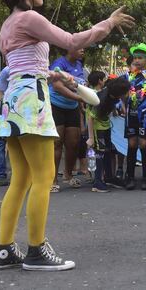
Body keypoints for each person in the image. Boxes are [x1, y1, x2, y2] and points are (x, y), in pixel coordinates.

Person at [0, 0, 134, 271]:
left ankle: (4, 250)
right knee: (44, 178)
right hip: (31, 101)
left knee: (22, 179)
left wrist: (55, 74)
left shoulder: (7, 24)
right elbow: (71, 41)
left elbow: (21, 65)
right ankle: (36, 251)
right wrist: (108, 23)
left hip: (15, 99)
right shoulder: (29, 18)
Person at [123, 43, 146, 191]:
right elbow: (122, 93)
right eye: (135, 57)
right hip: (131, 114)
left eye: (140, 58)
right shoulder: (128, 75)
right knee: (132, 144)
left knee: (144, 144)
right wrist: (122, 105)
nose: (137, 60)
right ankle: (130, 177)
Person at [49, 48, 86, 191]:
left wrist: (81, 104)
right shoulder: (59, 63)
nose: (83, 50)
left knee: (73, 143)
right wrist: (78, 98)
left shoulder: (78, 64)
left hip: (72, 107)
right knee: (56, 143)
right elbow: (57, 86)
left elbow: (80, 86)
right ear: (70, 49)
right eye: (80, 48)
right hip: (56, 105)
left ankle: (68, 175)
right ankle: (52, 180)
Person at [86, 72, 130, 193]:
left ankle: (109, 177)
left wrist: (115, 112)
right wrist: (90, 137)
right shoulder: (102, 99)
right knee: (100, 153)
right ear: (119, 92)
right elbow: (91, 117)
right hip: (96, 128)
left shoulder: (113, 97)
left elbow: (111, 109)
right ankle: (97, 182)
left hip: (105, 125)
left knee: (108, 150)